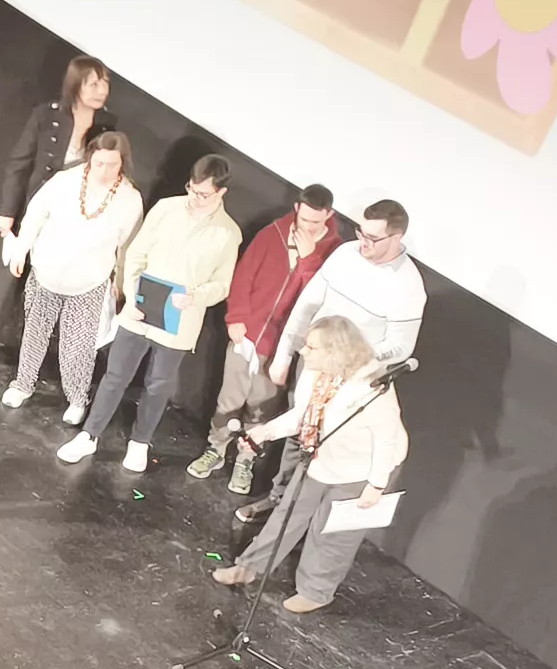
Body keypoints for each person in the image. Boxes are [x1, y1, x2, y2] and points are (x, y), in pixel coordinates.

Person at [211, 314, 404, 613]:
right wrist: (264, 432)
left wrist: (376, 484)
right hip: (320, 456)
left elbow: (387, 438)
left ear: (335, 351)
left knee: (331, 533)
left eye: (312, 347)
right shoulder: (315, 374)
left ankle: (316, 591)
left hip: (361, 470)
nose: (303, 351)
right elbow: (303, 415)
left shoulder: (371, 386)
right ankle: (250, 567)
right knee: (288, 514)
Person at [65, 154, 242, 472]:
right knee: (115, 376)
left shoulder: (228, 233)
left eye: (204, 194)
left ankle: (139, 443)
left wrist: (196, 296)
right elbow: (137, 253)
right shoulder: (166, 208)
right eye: (192, 188)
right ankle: (89, 436)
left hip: (180, 319)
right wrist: (131, 296)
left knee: (158, 385)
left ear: (222, 192)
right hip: (140, 307)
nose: (195, 198)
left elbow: (222, 285)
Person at [189, 184, 339, 488]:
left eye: (315, 222)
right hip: (247, 338)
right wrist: (236, 319)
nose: (307, 227)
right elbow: (243, 277)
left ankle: (245, 461)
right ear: (297, 208)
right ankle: (215, 449)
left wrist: (309, 260)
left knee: (262, 408)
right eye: (303, 218)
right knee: (228, 399)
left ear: (329, 216)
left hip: (282, 347)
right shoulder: (272, 235)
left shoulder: (334, 253)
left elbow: (318, 298)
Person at [1, 129, 144, 425]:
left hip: (88, 285)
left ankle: (78, 398)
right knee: (34, 334)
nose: (104, 171)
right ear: (90, 157)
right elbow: (35, 215)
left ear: (122, 164)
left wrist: (121, 287)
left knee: (77, 347)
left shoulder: (129, 199)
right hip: (45, 275)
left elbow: (128, 249)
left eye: (112, 165)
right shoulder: (65, 181)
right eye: (99, 163)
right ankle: (23, 384)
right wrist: (21, 251)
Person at [0, 55, 110, 363]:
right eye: (93, 83)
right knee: (11, 272)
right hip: (35, 208)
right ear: (76, 84)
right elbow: (19, 164)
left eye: (105, 84)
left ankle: (31, 357)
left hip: (72, 218)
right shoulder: (47, 115)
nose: (100, 90)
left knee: (48, 286)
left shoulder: (106, 127)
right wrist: (8, 210)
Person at [268, 195, 426, 390]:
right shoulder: (345, 253)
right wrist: (284, 355)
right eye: (361, 233)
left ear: (396, 237)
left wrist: (349, 359)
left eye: (373, 238)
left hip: (352, 381)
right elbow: (306, 306)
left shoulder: (409, 285)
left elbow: (400, 347)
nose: (363, 242)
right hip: (311, 366)